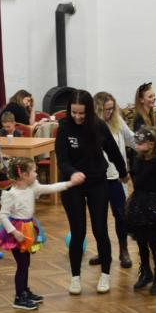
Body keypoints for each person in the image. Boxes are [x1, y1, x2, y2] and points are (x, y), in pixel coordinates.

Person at [56, 89, 128, 295]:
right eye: (74, 112)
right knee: (78, 231)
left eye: (82, 113)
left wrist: (123, 173)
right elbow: (62, 160)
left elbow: (113, 152)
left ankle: (105, 274)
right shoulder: (64, 128)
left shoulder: (98, 126)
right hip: (73, 184)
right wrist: (73, 173)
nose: (78, 117)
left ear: (89, 111)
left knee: (100, 229)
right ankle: (75, 277)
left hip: (97, 182)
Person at [0, 158, 77, 311]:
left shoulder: (32, 188)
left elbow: (50, 188)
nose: (37, 174)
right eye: (34, 171)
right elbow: (2, 216)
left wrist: (69, 184)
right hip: (17, 232)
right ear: (24, 175)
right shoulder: (11, 195)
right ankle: (19, 297)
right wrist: (14, 232)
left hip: (28, 228)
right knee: (22, 265)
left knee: (26, 263)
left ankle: (25, 291)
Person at [126, 127, 156, 296]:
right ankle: (146, 272)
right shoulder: (137, 158)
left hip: (154, 204)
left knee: (153, 241)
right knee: (141, 241)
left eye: (141, 143)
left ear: (151, 144)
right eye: (137, 143)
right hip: (139, 203)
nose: (137, 145)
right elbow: (136, 180)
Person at [91, 91, 134, 270]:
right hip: (98, 179)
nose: (110, 113)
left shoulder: (118, 121)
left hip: (117, 178)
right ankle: (103, 252)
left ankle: (124, 251)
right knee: (98, 218)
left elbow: (131, 139)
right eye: (106, 110)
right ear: (98, 109)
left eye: (111, 109)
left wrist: (150, 143)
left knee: (121, 215)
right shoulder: (92, 126)